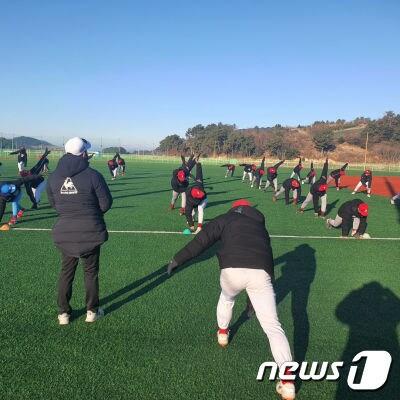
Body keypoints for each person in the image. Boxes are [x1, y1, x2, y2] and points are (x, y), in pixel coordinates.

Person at [167, 199, 295, 400]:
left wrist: (177, 259)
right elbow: (268, 259)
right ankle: (288, 383)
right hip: (261, 275)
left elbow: (202, 241)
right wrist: (253, 301)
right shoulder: (260, 227)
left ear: (234, 209)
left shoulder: (226, 218)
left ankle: (223, 334)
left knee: (227, 298)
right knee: (273, 327)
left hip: (231, 271)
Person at [47, 137, 113, 325]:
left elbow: (55, 205)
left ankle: (63, 314)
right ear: (83, 153)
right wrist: (90, 213)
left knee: (66, 272)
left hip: (65, 231)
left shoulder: (53, 177)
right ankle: (91, 312)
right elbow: (106, 203)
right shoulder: (93, 175)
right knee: (90, 272)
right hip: (90, 232)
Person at [184, 163, 207, 234]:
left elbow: (199, 173)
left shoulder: (199, 184)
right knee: (192, 213)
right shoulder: (189, 200)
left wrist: (198, 164)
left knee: (200, 208)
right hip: (193, 202)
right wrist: (191, 225)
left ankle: (199, 227)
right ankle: (191, 221)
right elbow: (187, 212)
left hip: (203, 200)